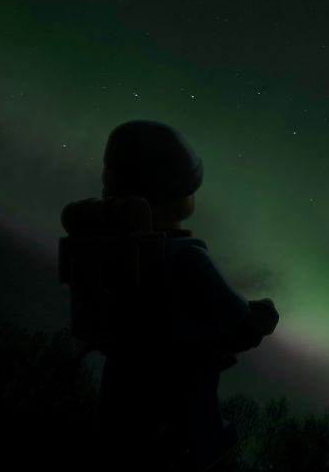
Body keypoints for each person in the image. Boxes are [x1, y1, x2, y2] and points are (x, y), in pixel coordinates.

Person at [89, 119, 280, 471]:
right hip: (179, 387)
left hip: (123, 381)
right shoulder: (186, 256)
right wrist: (264, 314)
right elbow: (238, 315)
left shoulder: (110, 251)